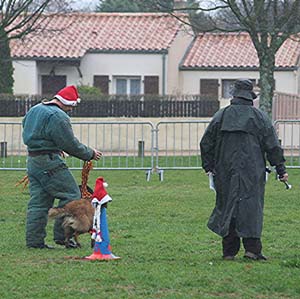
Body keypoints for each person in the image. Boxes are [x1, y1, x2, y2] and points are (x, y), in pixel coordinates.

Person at [200, 79, 288, 261]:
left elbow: (206, 142)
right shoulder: (260, 117)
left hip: (225, 168)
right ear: (250, 96)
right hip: (253, 169)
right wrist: (280, 169)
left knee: (227, 206)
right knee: (252, 207)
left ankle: (229, 251)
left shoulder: (221, 116)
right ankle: (252, 250)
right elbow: (272, 146)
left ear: (234, 94)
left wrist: (209, 166)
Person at [22, 85, 102, 249]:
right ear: (68, 103)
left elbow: (31, 129)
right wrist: (90, 153)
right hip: (50, 162)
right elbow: (70, 144)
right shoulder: (58, 116)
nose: (71, 110)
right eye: (72, 106)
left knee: (38, 203)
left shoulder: (35, 109)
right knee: (71, 194)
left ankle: (34, 242)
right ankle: (63, 237)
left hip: (33, 160)